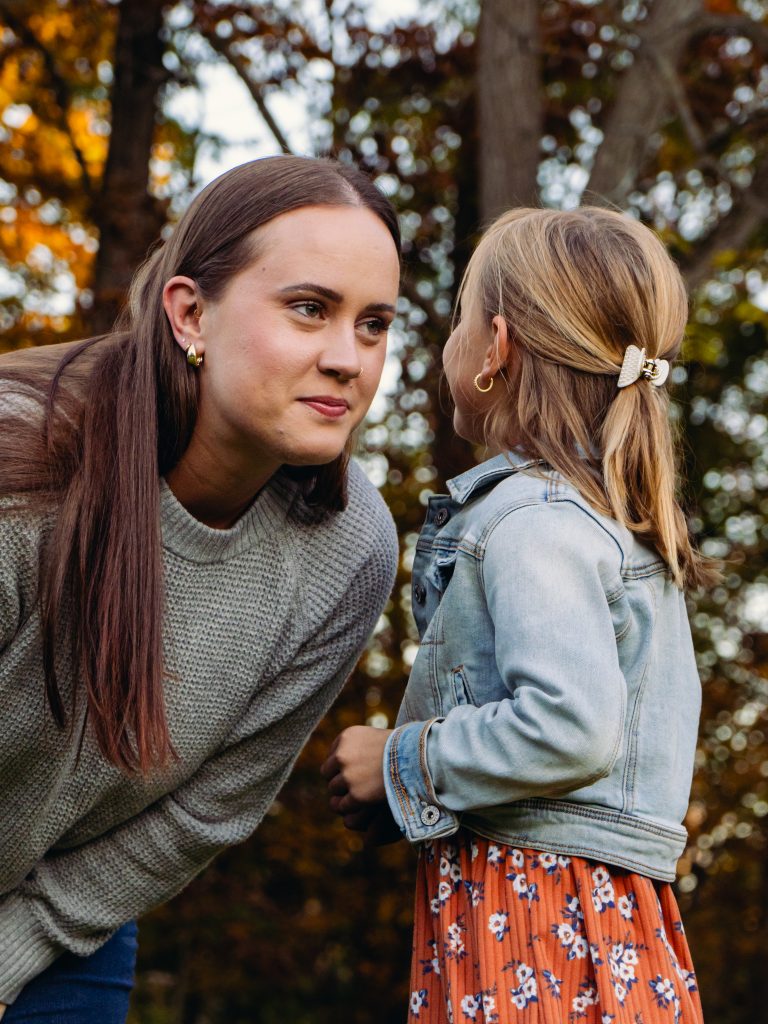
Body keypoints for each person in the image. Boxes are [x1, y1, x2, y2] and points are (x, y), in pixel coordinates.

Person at [0, 154, 401, 1022]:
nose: (347, 358)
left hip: (63, 917)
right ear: (191, 313)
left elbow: (206, 810)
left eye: (374, 325)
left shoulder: (352, 549)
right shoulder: (18, 471)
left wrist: (17, 948)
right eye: (309, 309)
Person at [323, 206, 713, 1023]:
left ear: (495, 349)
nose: (446, 345)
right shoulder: (611, 525)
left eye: (461, 320)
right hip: (599, 922)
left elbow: (569, 726)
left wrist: (404, 762)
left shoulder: (533, 525)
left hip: (537, 919)